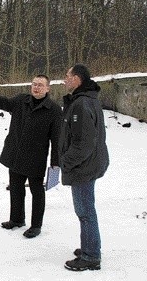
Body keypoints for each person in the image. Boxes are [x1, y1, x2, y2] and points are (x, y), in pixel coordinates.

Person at [0, 75, 61, 238]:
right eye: (34, 84)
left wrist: (55, 165)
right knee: (16, 188)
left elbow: (57, 139)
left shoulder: (53, 110)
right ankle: (17, 219)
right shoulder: (21, 101)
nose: (36, 87)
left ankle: (36, 225)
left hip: (35, 159)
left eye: (40, 85)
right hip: (16, 154)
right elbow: (3, 102)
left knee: (36, 192)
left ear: (48, 89)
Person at [60, 64, 109, 271]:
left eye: (67, 76)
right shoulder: (87, 100)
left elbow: (84, 144)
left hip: (83, 167)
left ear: (77, 79)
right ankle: (89, 246)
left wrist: (66, 162)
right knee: (86, 210)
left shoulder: (82, 104)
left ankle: (91, 256)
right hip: (89, 164)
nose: (64, 80)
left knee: (85, 211)